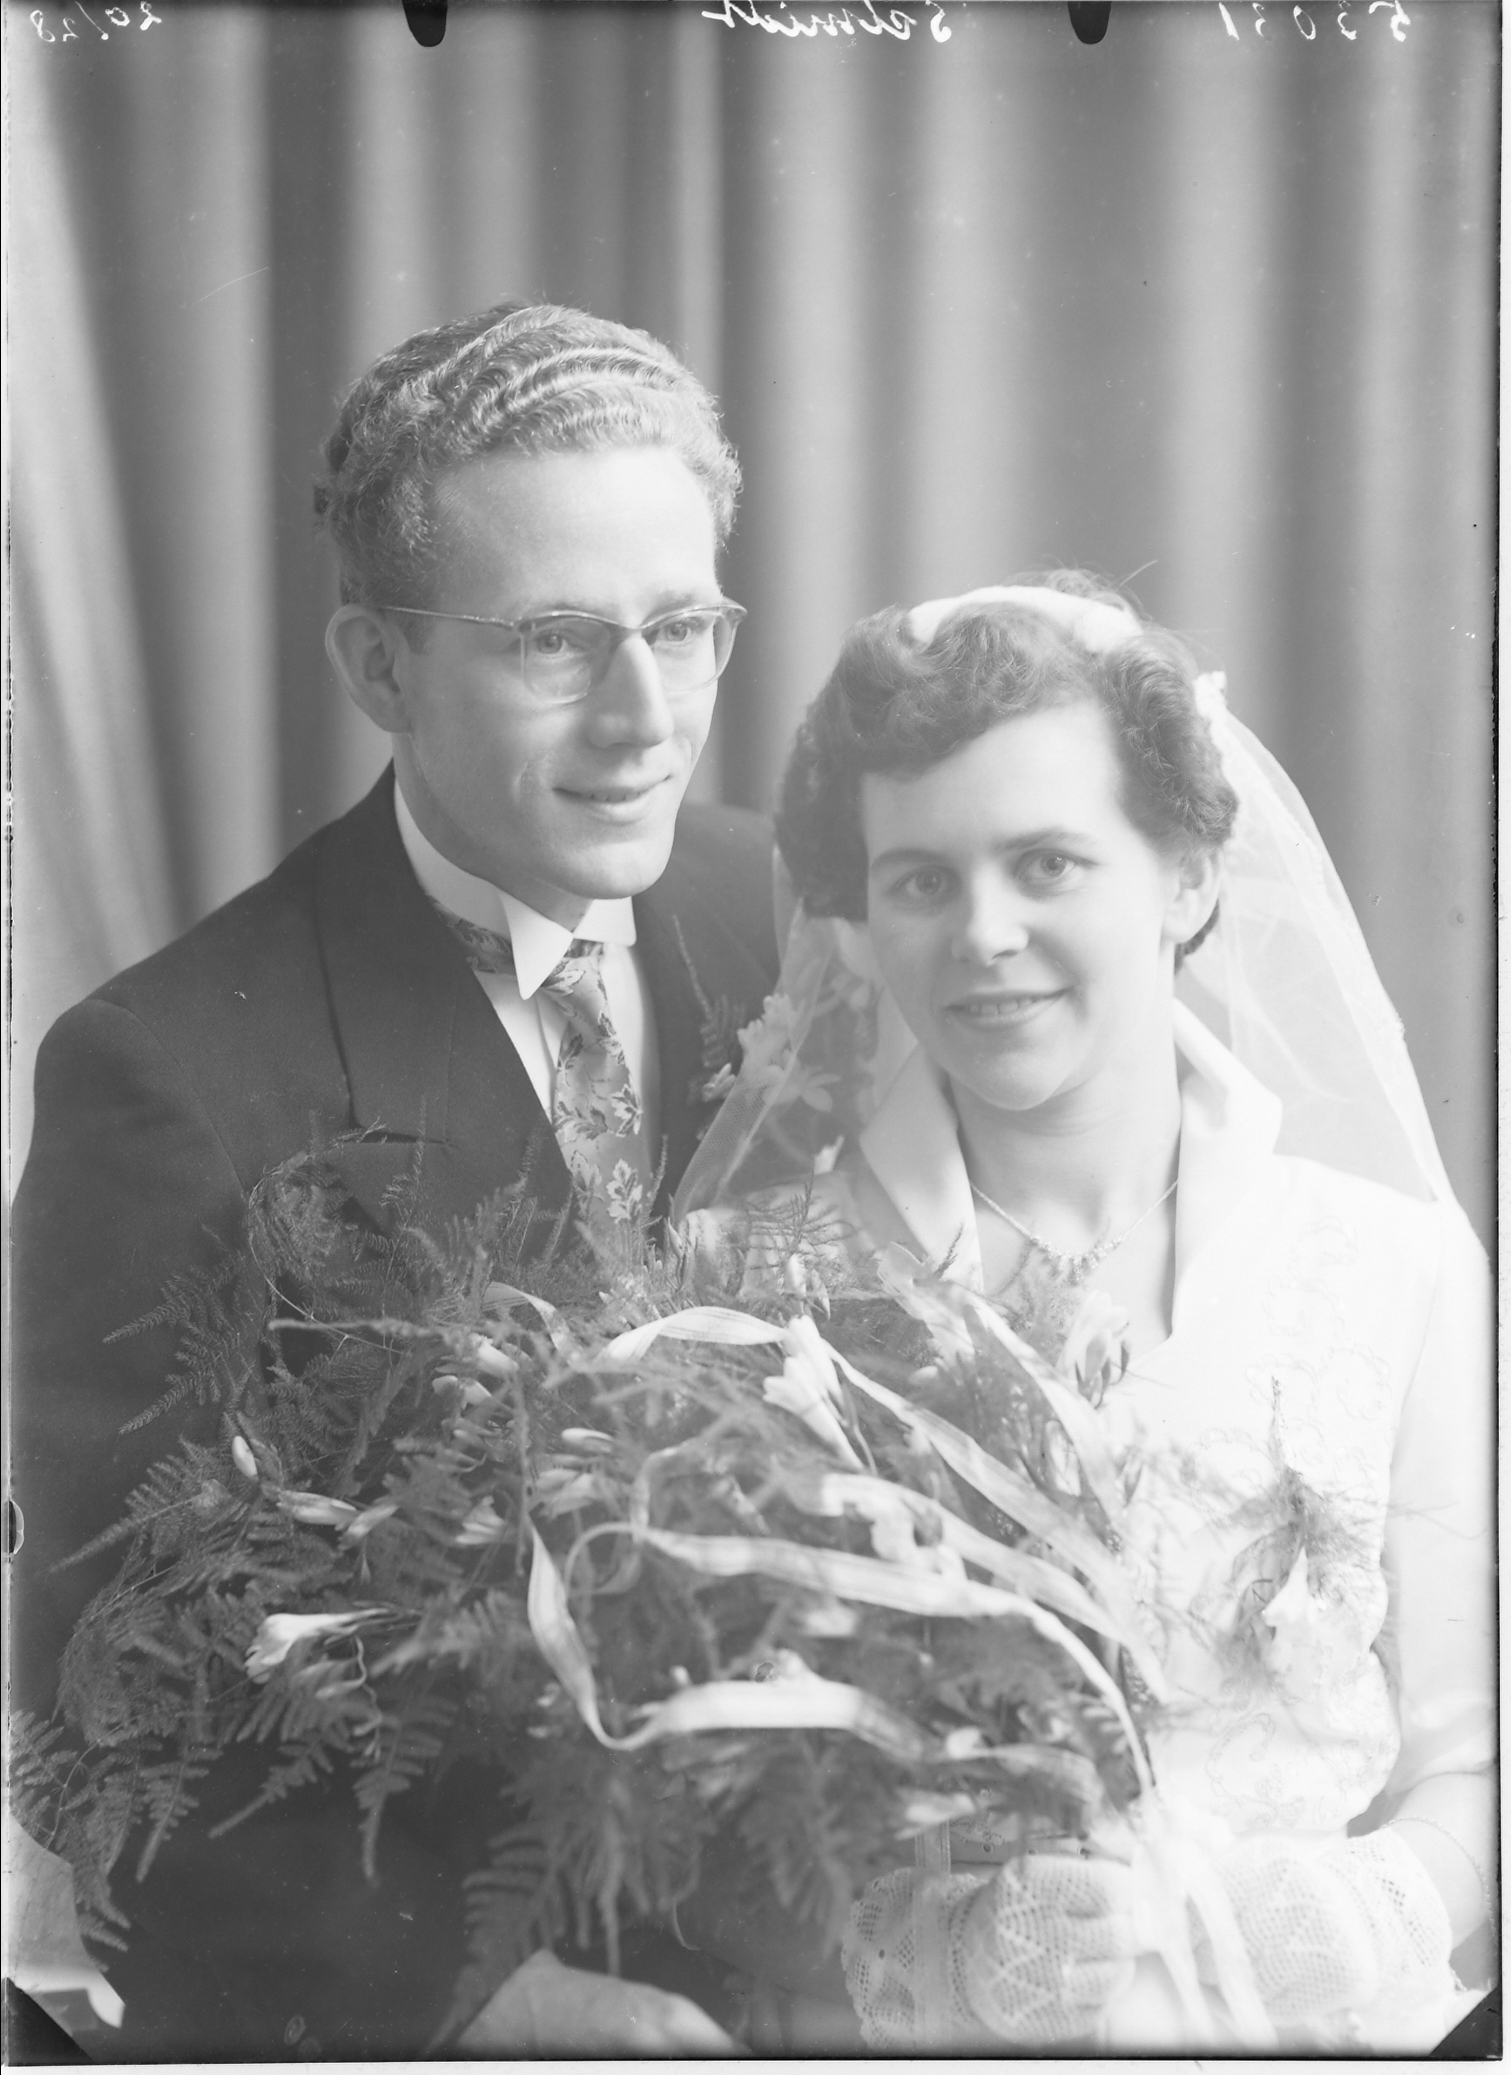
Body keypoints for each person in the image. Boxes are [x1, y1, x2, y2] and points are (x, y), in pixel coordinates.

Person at [9, 301, 780, 2059]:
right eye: (556, 642)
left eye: (681, 628)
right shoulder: (167, 1077)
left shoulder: (789, 914)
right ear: (377, 667)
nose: (644, 718)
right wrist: (478, 2004)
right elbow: (106, 1704)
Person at [673, 575, 1495, 2051]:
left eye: (1047, 863)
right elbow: (679, 1820)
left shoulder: (1395, 1269)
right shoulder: (747, 1286)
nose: (984, 933)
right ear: (859, 918)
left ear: (1187, 878)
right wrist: (943, 1950)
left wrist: (1337, 1917)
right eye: (920, 880)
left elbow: (1478, 1766)